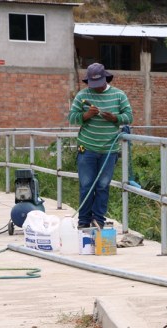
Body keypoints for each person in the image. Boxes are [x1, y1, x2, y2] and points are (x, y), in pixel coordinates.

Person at [68, 62, 133, 229]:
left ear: (106, 79)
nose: (96, 88)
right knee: (86, 186)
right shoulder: (82, 96)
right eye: (93, 85)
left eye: (99, 84)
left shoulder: (119, 95)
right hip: (87, 148)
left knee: (103, 186)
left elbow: (129, 117)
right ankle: (83, 222)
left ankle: (98, 221)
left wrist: (115, 118)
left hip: (109, 150)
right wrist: (86, 115)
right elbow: (72, 118)